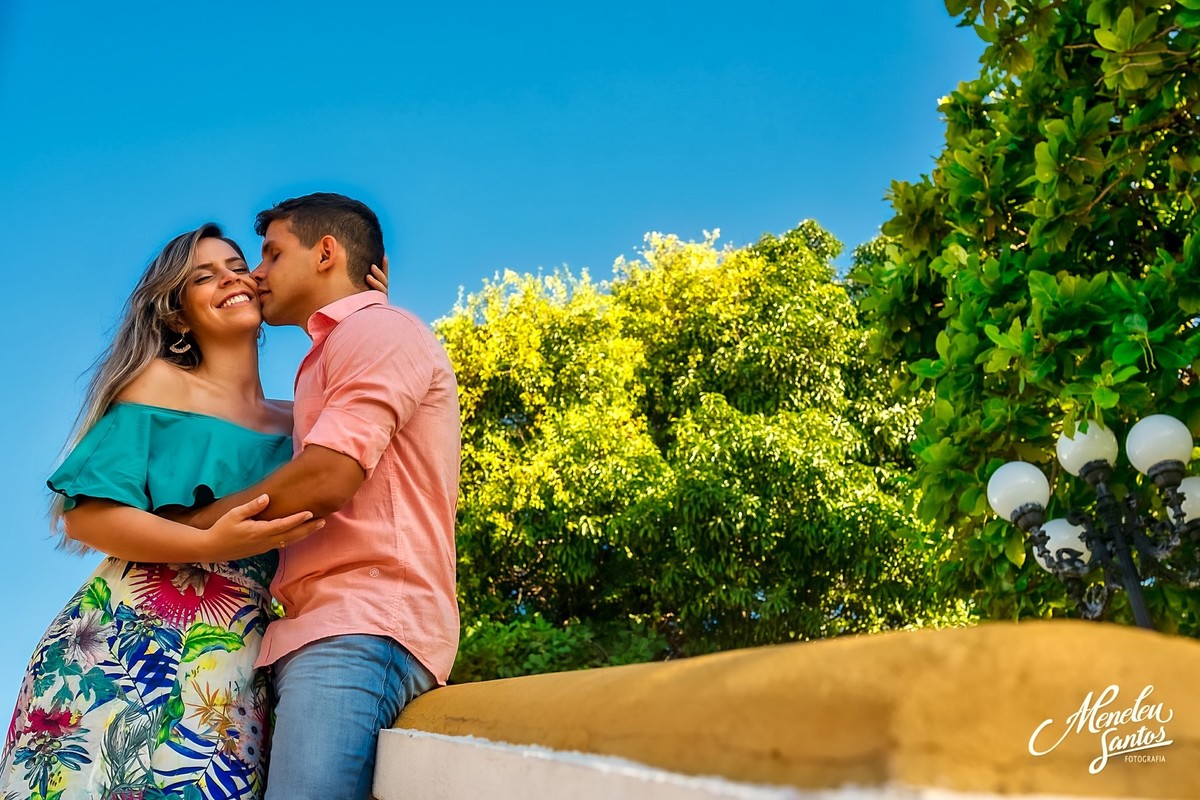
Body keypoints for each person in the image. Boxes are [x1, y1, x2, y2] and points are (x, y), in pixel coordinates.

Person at [0, 224, 385, 800]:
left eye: (238, 265)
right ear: (178, 317)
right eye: (203, 277)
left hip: (236, 660)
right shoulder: (157, 384)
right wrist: (208, 546)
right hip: (122, 646)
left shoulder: (302, 421)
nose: (231, 277)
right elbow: (86, 517)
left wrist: (362, 305)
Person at [177, 193, 461, 800]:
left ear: (326, 252)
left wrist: (193, 531)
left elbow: (328, 476)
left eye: (273, 254)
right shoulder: (343, 345)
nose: (256, 273)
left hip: (363, 627)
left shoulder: (378, 329)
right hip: (331, 634)